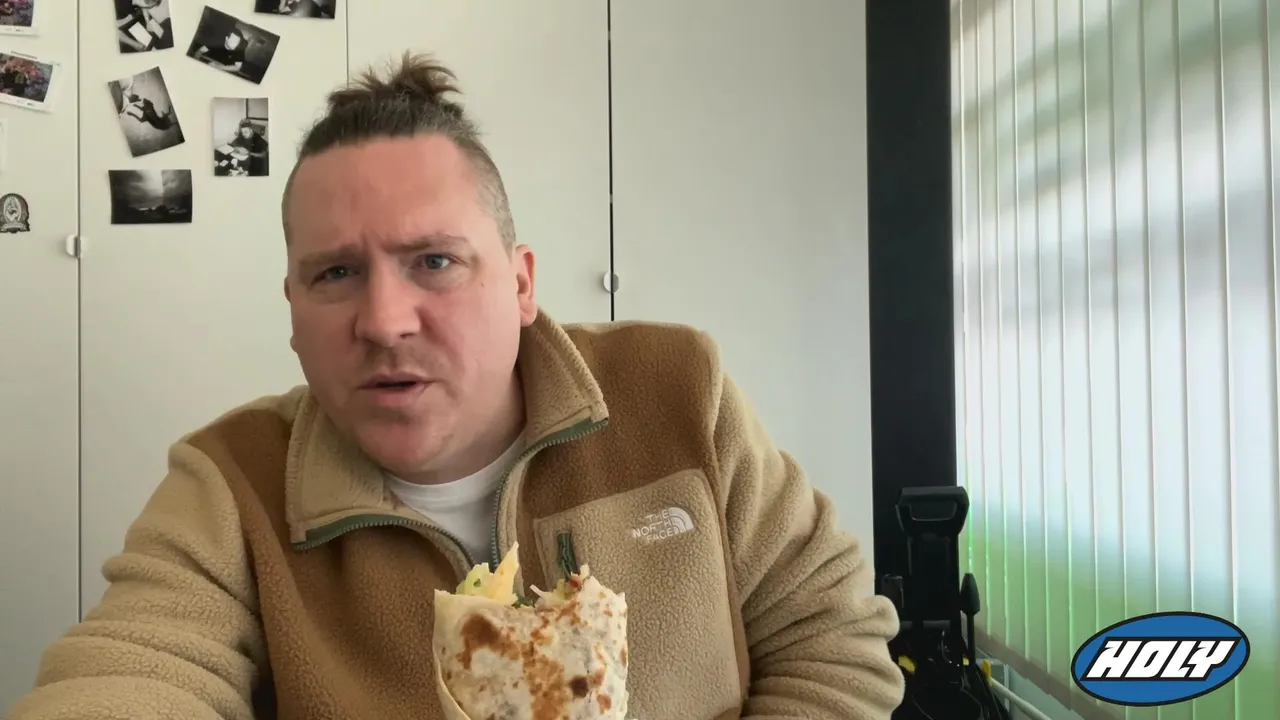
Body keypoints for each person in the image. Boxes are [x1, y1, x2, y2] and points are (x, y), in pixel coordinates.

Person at [6, 53, 904, 719]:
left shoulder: (678, 394)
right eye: (335, 274)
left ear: (520, 283)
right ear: (292, 310)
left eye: (434, 261)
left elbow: (833, 640)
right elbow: (132, 673)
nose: (384, 320)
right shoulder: (229, 483)